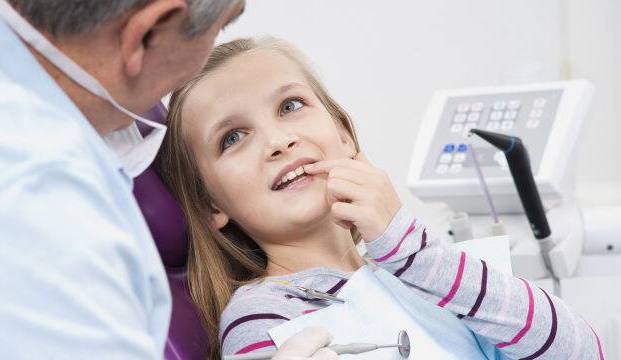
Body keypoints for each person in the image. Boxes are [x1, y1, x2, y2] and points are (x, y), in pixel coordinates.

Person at [160, 37, 605, 359]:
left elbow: (583, 351)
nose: (279, 141)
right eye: (233, 137)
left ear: (344, 134)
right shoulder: (262, 318)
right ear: (210, 206)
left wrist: (415, 253)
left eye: (291, 106)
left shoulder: (427, 272)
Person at [0, 1, 334, 358]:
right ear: (150, 32)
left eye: (290, 107)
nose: (279, 142)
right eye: (221, 29)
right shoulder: (23, 191)